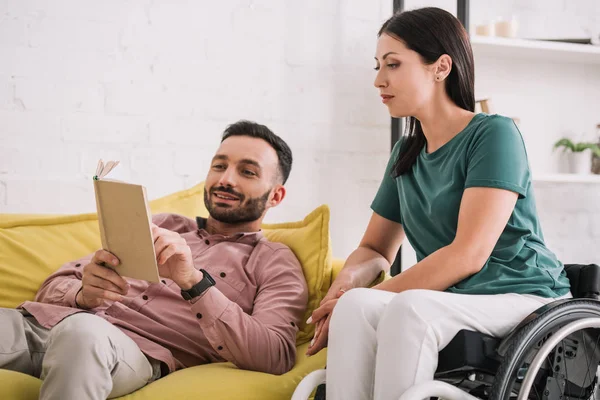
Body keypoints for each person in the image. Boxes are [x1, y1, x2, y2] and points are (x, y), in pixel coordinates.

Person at [305, 7, 571, 400]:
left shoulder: (494, 134)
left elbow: (468, 255)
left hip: (523, 294)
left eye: (393, 64)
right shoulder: (405, 154)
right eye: (377, 66)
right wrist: (344, 288)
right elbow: (376, 249)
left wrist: (374, 294)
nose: (379, 80)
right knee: (356, 308)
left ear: (441, 67)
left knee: (408, 310)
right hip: (457, 299)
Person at [0, 120, 308, 400]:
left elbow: (276, 354)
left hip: (126, 351)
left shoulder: (274, 262)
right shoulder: (164, 224)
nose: (225, 180)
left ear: (276, 196)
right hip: (43, 325)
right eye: (219, 166)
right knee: (75, 328)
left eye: (247, 172)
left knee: (82, 334)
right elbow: (52, 285)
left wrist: (194, 282)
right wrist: (82, 293)